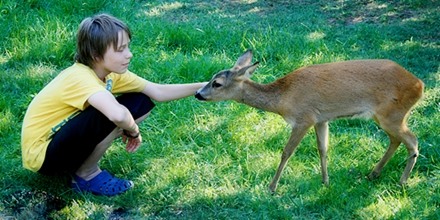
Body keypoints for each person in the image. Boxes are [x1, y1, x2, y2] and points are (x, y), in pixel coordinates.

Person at [21, 13, 207, 196]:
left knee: (139, 101)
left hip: (61, 141)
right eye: (120, 49)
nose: (129, 54)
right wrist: (133, 131)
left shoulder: (110, 73)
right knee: (111, 114)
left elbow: (157, 91)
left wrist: (208, 87)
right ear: (95, 55)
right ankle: (86, 175)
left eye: (127, 47)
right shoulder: (79, 77)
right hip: (43, 156)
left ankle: (82, 166)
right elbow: (118, 115)